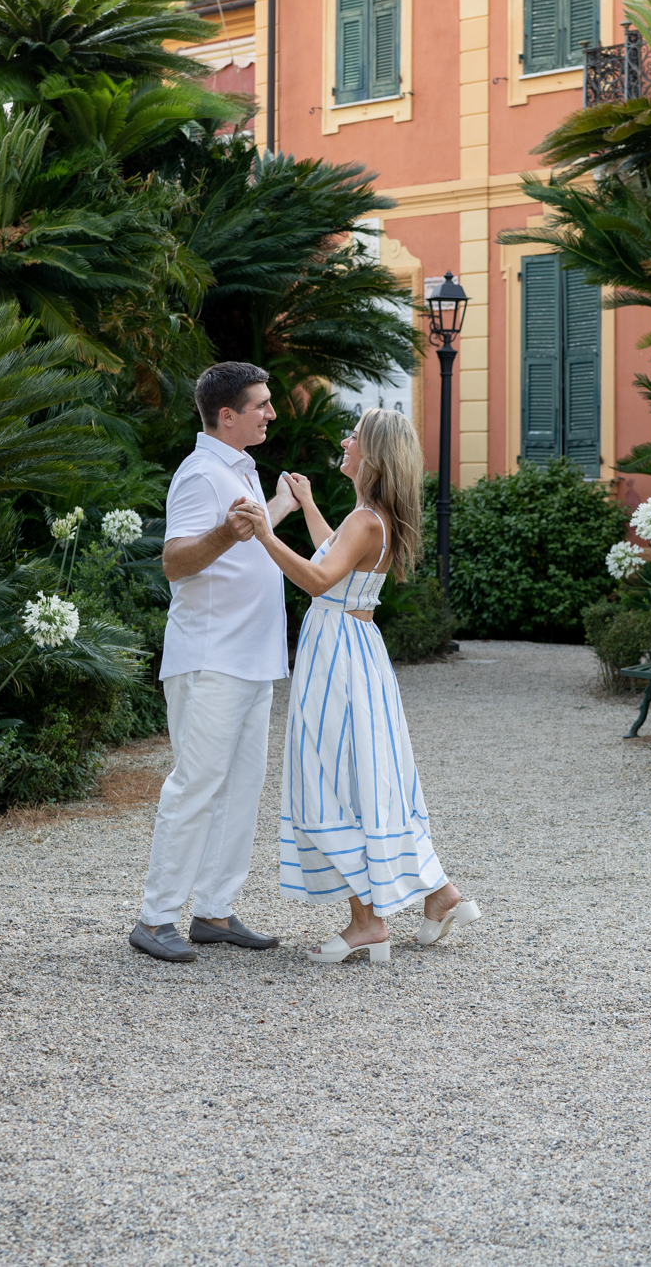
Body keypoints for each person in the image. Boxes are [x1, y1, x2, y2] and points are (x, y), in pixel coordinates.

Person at [237, 406, 480, 963]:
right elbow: (335, 560)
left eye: (354, 437)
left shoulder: (367, 520)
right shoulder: (368, 518)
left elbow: (319, 578)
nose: (344, 441)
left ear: (371, 454)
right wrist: (310, 508)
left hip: (338, 660)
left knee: (332, 780)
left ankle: (366, 924)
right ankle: (440, 896)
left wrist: (263, 534)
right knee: (372, 777)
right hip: (355, 653)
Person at [129, 362, 299, 963]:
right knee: (196, 786)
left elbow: (245, 534)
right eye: (261, 405)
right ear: (227, 416)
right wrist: (230, 533)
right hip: (210, 660)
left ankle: (215, 912)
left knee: (241, 789)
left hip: (254, 660)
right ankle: (155, 919)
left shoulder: (242, 469)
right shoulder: (200, 474)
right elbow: (175, 561)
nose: (271, 413)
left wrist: (277, 506)